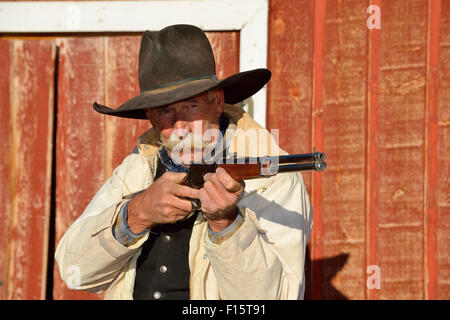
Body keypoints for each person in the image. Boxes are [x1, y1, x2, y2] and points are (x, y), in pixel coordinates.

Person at [55, 24, 313, 300]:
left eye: (190, 107)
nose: (179, 127)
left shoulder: (272, 175)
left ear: (216, 102)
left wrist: (227, 225)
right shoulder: (140, 166)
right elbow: (75, 271)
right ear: (150, 117)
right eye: (165, 111)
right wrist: (137, 213)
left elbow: (278, 298)